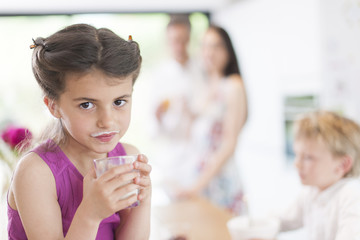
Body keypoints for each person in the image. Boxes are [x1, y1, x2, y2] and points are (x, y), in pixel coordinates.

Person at [7, 24, 152, 240]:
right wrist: (90, 215)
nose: (107, 121)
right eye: (87, 105)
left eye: (119, 102)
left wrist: (144, 199)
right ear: (53, 106)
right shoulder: (36, 173)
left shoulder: (124, 156)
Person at [174, 25, 248, 215]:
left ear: (228, 51)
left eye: (216, 46)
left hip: (220, 182)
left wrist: (196, 186)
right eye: (205, 46)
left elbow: (229, 144)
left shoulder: (233, 86)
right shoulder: (204, 88)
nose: (209, 52)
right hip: (199, 181)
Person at [262, 111, 360, 240]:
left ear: (343, 164)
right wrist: (257, 230)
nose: (296, 164)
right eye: (297, 154)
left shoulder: (351, 196)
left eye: (308, 158)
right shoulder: (312, 191)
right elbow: (280, 220)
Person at [149, 14, 204, 194]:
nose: (179, 46)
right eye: (174, 41)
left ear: (190, 39)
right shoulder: (158, 77)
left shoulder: (202, 71)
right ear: (167, 41)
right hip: (171, 160)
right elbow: (153, 131)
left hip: (200, 156)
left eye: (183, 40)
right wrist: (158, 117)